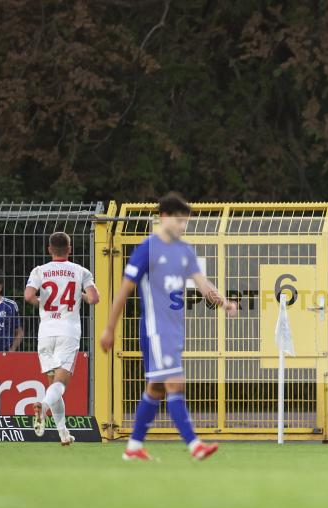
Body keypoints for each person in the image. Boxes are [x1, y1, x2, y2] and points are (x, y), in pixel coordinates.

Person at [100, 192, 237, 461]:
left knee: (156, 389)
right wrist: (109, 328)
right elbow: (123, 291)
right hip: (155, 329)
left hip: (174, 330)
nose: (183, 227)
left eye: (186, 222)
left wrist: (225, 304)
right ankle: (195, 445)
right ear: (163, 218)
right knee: (176, 383)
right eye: (179, 220)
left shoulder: (185, 250)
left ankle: (134, 447)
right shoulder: (147, 249)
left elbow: (202, 284)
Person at [25, 232, 99, 445]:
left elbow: (28, 296)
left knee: (52, 385)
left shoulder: (39, 271)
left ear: (49, 249)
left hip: (46, 332)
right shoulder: (80, 271)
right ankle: (43, 408)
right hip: (68, 332)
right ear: (70, 249)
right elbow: (94, 298)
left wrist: (41, 301)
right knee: (60, 385)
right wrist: (80, 295)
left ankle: (64, 434)